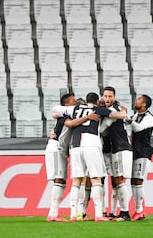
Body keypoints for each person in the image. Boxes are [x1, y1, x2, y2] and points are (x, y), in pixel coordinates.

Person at [52, 92, 127, 222]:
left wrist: (64, 115)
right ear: (97, 101)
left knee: (76, 181)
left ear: (86, 101)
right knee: (96, 179)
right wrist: (124, 110)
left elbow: (55, 112)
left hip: (75, 145)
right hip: (91, 143)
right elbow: (120, 115)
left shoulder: (74, 108)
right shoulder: (99, 109)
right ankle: (98, 214)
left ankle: (73, 214)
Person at [102, 86, 133, 221]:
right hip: (119, 148)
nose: (107, 98)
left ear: (114, 97)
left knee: (119, 180)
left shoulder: (114, 110)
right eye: (105, 96)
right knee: (116, 180)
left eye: (110, 96)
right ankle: (116, 212)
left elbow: (102, 130)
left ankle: (125, 212)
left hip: (121, 148)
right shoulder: (119, 108)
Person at [45, 93, 76, 222]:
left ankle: (54, 213)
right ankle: (52, 214)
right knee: (59, 180)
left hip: (59, 148)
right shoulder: (65, 116)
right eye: (73, 102)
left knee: (60, 181)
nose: (75, 104)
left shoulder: (63, 115)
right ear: (66, 105)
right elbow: (71, 124)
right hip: (57, 147)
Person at [125, 94, 153, 221]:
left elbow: (139, 128)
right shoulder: (136, 116)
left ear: (144, 104)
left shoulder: (149, 118)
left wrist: (128, 119)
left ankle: (139, 210)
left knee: (138, 181)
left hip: (143, 152)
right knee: (133, 181)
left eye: (138, 100)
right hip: (134, 152)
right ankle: (138, 210)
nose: (136, 101)